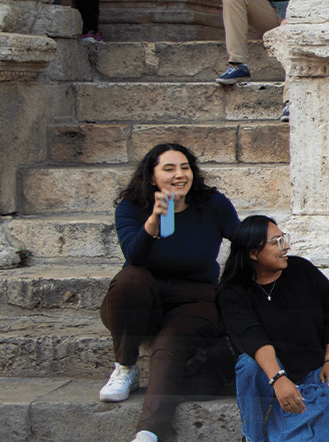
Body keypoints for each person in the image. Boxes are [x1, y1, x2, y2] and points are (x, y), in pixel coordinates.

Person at [100, 143, 240, 442]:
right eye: (169, 169)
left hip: (197, 300)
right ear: (151, 177)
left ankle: (148, 433)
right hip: (145, 300)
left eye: (185, 167)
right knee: (130, 278)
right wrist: (153, 221)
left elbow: (242, 241)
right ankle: (125, 366)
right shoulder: (131, 207)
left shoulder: (212, 204)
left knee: (170, 343)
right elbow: (134, 256)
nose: (180, 175)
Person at [217, 216, 329, 442]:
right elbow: (252, 337)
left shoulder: (302, 269)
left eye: (284, 239)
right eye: (276, 242)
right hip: (269, 371)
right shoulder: (233, 292)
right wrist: (278, 379)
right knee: (248, 365)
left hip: (314, 367)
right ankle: (252, 438)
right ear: (253, 253)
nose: (286, 247)